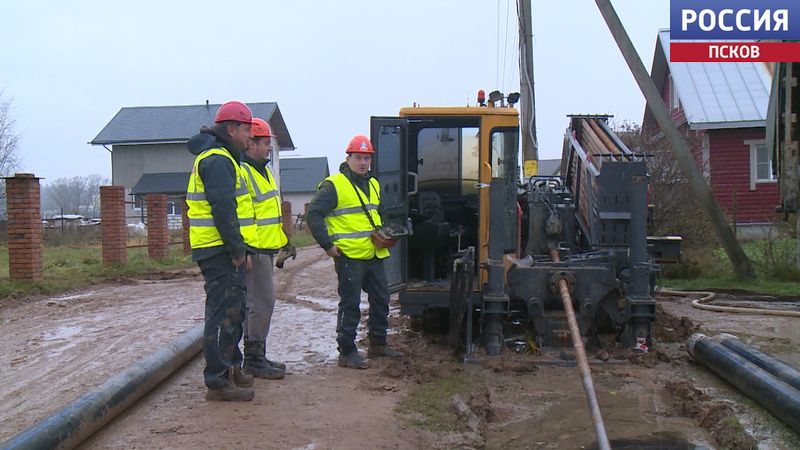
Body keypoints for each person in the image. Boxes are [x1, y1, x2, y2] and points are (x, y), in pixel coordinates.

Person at [306, 134, 403, 369]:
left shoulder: (373, 183)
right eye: (358, 157)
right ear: (348, 158)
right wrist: (327, 245)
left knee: (381, 299)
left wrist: (387, 230)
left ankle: (378, 344)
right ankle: (347, 351)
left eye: (367, 158)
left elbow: (378, 213)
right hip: (348, 255)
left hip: (373, 253)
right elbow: (314, 214)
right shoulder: (334, 185)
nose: (363, 163)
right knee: (350, 303)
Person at [186, 100, 257, 401]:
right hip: (218, 250)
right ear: (231, 130)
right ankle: (217, 380)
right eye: (246, 129)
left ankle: (230, 367)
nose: (250, 136)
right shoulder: (218, 160)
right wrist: (238, 251)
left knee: (234, 310)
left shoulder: (227, 157)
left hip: (222, 248)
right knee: (221, 314)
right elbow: (224, 210)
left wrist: (242, 250)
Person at [240, 118, 295, 379]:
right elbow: (244, 216)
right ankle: (253, 359)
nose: (268, 149)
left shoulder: (264, 171)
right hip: (255, 249)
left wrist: (283, 239)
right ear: (251, 142)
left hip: (265, 247)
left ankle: (256, 355)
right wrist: (247, 249)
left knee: (258, 303)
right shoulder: (244, 172)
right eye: (265, 144)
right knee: (261, 303)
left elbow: (268, 214)